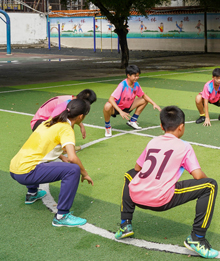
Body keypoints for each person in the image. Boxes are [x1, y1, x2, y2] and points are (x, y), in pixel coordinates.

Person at [114, 106, 219, 258]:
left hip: (136, 196)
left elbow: (137, 167)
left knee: (130, 174)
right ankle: (197, 238)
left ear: (162, 126)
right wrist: (205, 180)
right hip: (160, 200)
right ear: (181, 127)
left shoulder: (153, 141)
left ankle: (125, 223)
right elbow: (197, 175)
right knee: (210, 185)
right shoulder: (184, 146)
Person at [10, 99, 94, 227]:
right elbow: (72, 157)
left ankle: (32, 193)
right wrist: (85, 173)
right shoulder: (66, 129)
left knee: (39, 159)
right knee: (73, 170)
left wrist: (61, 157)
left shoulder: (50, 121)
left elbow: (44, 146)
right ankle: (62, 216)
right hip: (26, 173)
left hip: (14, 168)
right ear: (81, 116)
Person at [103, 64, 161, 137]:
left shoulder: (136, 84)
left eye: (138, 75)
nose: (137, 78)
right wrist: (120, 112)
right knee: (107, 106)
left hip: (128, 107)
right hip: (116, 109)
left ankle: (132, 121)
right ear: (128, 75)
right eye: (135, 76)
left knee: (144, 100)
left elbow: (143, 95)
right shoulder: (122, 85)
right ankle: (107, 126)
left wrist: (154, 103)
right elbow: (111, 99)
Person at [30, 89, 97, 137]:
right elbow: (50, 120)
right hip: (39, 124)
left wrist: (81, 126)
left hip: (44, 122)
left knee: (70, 120)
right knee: (67, 122)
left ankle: (67, 145)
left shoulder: (72, 99)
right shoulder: (65, 103)